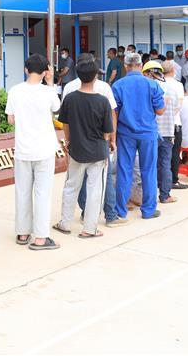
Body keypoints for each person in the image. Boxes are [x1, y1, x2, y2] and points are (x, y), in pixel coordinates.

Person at [54, 56, 114, 238]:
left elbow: (64, 123)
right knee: (95, 189)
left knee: (71, 186)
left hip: (76, 149)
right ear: (96, 76)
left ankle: (65, 223)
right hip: (98, 151)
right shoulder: (102, 101)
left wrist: (68, 140)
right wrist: (107, 141)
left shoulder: (70, 98)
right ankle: (89, 228)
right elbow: (107, 130)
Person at [6, 54, 62, 249]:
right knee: (42, 193)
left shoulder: (15, 90)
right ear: (46, 71)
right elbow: (57, 108)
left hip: (23, 149)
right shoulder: (48, 92)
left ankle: (23, 233)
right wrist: (51, 82)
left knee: (22, 191)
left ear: (26, 70)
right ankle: (41, 237)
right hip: (44, 149)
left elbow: (10, 120)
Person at [111, 52, 165, 221]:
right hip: (148, 134)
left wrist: (113, 137)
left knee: (124, 170)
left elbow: (114, 113)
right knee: (148, 171)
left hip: (125, 134)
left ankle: (120, 211)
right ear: (141, 66)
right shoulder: (152, 85)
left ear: (125, 66)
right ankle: (148, 210)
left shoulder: (117, 86)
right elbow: (160, 111)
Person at [144, 60, 179, 204]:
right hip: (168, 131)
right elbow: (176, 108)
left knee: (149, 165)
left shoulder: (147, 88)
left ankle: (148, 197)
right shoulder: (171, 88)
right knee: (165, 164)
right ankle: (165, 195)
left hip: (150, 132)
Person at [161, 60, 188, 191]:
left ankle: (160, 180)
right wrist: (170, 115)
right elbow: (179, 105)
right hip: (174, 123)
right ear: (173, 71)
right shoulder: (178, 85)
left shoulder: (157, 83)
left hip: (159, 124)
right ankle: (173, 180)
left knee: (160, 155)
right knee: (174, 153)